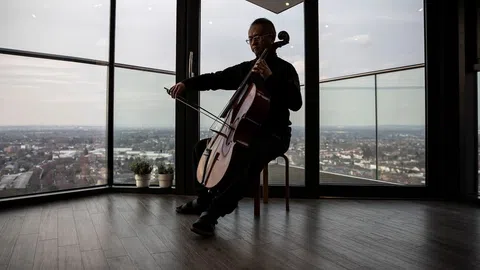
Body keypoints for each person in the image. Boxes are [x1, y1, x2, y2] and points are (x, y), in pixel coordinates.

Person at [168, 18, 302, 236]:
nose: (254, 43)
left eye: (258, 38)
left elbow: (296, 103)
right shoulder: (247, 69)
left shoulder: (285, 70)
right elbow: (216, 79)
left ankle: (213, 214)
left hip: (274, 134)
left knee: (246, 161)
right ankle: (203, 200)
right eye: (250, 39)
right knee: (202, 149)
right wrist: (187, 84)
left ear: (271, 37)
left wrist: (270, 77)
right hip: (243, 132)